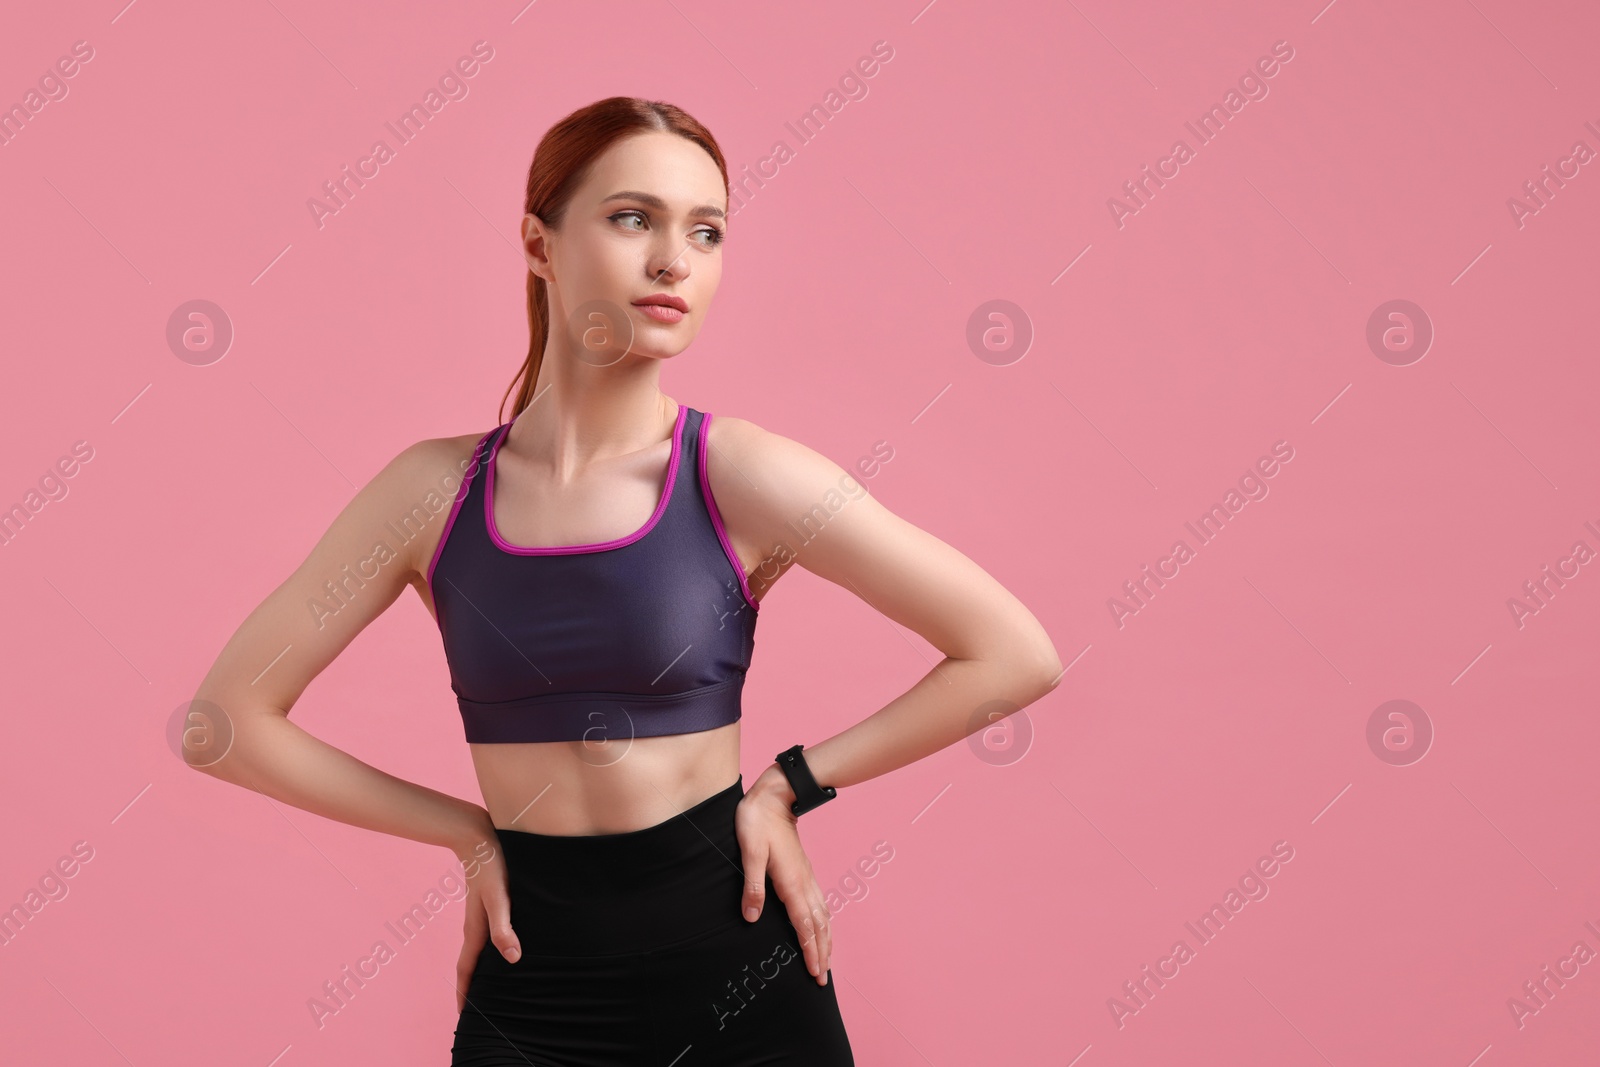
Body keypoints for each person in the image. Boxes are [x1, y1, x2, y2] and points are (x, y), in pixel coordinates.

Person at [186, 96, 1062, 1065]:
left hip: (742, 981)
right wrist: (466, 834)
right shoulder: (429, 493)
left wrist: (790, 786)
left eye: (707, 230)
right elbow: (223, 720)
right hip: (537, 992)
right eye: (632, 217)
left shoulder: (739, 473)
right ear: (537, 243)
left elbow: (1013, 652)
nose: (673, 261)